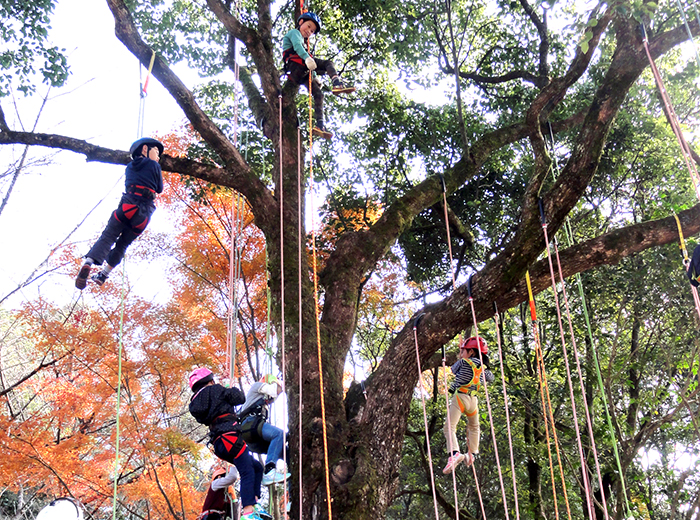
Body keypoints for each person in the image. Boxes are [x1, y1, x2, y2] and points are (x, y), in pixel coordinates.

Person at [74, 137, 164, 290]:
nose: (158, 156)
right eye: (156, 151)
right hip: (144, 214)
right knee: (123, 244)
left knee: (108, 235)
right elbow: (160, 188)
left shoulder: (129, 167)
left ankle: (88, 262)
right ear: (145, 149)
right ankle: (103, 274)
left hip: (127, 206)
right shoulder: (154, 165)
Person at [188, 368, 268, 520]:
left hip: (220, 444)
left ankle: (254, 503)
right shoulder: (216, 390)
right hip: (230, 438)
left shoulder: (195, 404)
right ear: (210, 380)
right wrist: (226, 386)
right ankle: (249, 511)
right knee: (247, 471)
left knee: (256, 467)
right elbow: (239, 398)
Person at [282, 11, 355, 140]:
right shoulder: (295, 33)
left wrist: (314, 75)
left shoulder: (303, 41)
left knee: (319, 94)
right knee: (328, 63)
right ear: (301, 22)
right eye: (308, 26)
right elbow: (298, 47)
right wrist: (307, 58)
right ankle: (337, 83)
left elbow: (304, 54)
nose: (309, 31)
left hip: (299, 72)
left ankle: (320, 125)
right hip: (296, 65)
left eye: (312, 31)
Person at [442, 336, 494, 474]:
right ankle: (472, 454)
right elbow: (491, 378)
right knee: (474, 427)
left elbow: (453, 370)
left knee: (449, 427)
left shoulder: (463, 362)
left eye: (463, 351)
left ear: (471, 352)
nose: (461, 353)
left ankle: (454, 453)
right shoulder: (484, 368)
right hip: (473, 401)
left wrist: (461, 359)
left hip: (461, 397)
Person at [238, 374, 289, 486]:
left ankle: (291, 496)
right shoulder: (257, 386)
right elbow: (274, 391)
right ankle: (270, 470)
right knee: (279, 435)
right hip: (250, 425)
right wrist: (276, 381)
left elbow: (275, 394)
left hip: (253, 439)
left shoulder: (262, 400)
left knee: (286, 452)